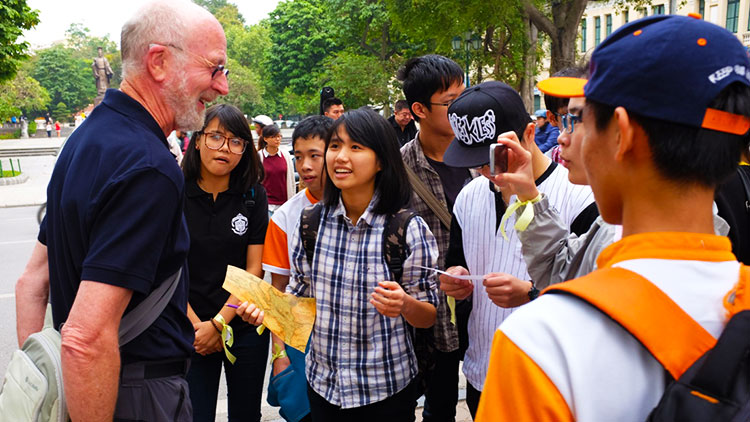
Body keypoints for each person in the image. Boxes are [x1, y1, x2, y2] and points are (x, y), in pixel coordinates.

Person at [475, 15, 750, 421]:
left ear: (621, 134)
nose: (567, 136)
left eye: (580, 118)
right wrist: (529, 196)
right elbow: (561, 265)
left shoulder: (539, 345)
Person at [14, 1, 231, 419]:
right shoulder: (149, 166)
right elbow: (85, 336)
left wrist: (44, 383)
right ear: (160, 62)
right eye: (215, 68)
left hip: (95, 385)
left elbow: (31, 281)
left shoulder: (86, 140)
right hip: (134, 393)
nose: (222, 87)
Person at [438, 81, 598, 419]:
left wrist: (531, 293)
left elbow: (593, 297)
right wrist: (457, 278)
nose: (484, 171)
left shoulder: (582, 197)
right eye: (474, 161)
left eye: (492, 157)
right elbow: (458, 260)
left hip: (548, 379)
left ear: (528, 133)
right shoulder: (470, 195)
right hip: (484, 368)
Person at [287, 108, 439, 420]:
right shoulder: (311, 223)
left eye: (356, 147)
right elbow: (298, 302)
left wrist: (404, 304)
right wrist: (264, 310)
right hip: (323, 386)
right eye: (335, 145)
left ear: (381, 160)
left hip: (385, 390)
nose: (341, 157)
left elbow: (429, 316)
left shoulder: (405, 228)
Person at [397, 54, 473, 422]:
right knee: (438, 406)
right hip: (430, 318)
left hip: (486, 310)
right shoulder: (397, 170)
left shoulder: (484, 160)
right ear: (419, 110)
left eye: (465, 96)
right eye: (451, 102)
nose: (463, 109)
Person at [182, 103, 270, 421]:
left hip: (243, 324)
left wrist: (220, 323)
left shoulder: (252, 196)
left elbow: (254, 269)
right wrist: (198, 327)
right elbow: (168, 270)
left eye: (236, 141)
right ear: (197, 140)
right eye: (216, 137)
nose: (225, 148)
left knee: (246, 415)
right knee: (196, 414)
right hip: (190, 328)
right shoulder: (174, 193)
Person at [261, 115, 333, 422]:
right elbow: (278, 292)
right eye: (299, 157)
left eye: (314, 156)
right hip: (302, 341)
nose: (305, 166)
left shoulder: (362, 206)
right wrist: (279, 356)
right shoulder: (286, 218)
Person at [258, 123, 295, 215]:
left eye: (279, 136)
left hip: (285, 205)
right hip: (266, 205)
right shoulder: (259, 156)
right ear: (265, 139)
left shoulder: (286, 155)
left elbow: (291, 180)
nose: (278, 139)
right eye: (274, 137)